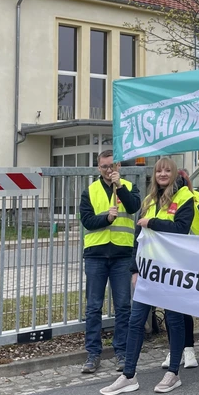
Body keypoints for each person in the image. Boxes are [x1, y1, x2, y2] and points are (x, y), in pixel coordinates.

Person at [99, 157, 192, 395]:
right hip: (148, 270)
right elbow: (137, 240)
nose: (162, 173)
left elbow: (181, 229)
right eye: (159, 170)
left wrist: (154, 222)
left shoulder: (185, 198)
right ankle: (129, 375)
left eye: (167, 170)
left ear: (174, 173)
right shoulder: (149, 200)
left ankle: (173, 372)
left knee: (174, 319)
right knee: (135, 320)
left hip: (172, 269)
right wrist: (135, 269)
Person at [78, 150, 141, 374]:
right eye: (104, 166)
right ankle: (93, 353)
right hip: (96, 254)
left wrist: (121, 187)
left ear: (119, 166)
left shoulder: (129, 187)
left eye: (111, 166)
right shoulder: (90, 191)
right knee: (94, 306)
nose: (108, 170)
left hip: (121, 255)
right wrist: (106, 218)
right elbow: (86, 220)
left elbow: (134, 207)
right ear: (98, 168)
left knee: (123, 306)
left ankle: (121, 351)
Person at [160, 169, 199, 371]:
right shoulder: (162, 200)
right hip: (166, 259)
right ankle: (176, 349)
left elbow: (184, 227)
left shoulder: (191, 198)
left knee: (182, 308)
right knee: (170, 308)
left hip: (187, 257)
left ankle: (189, 349)